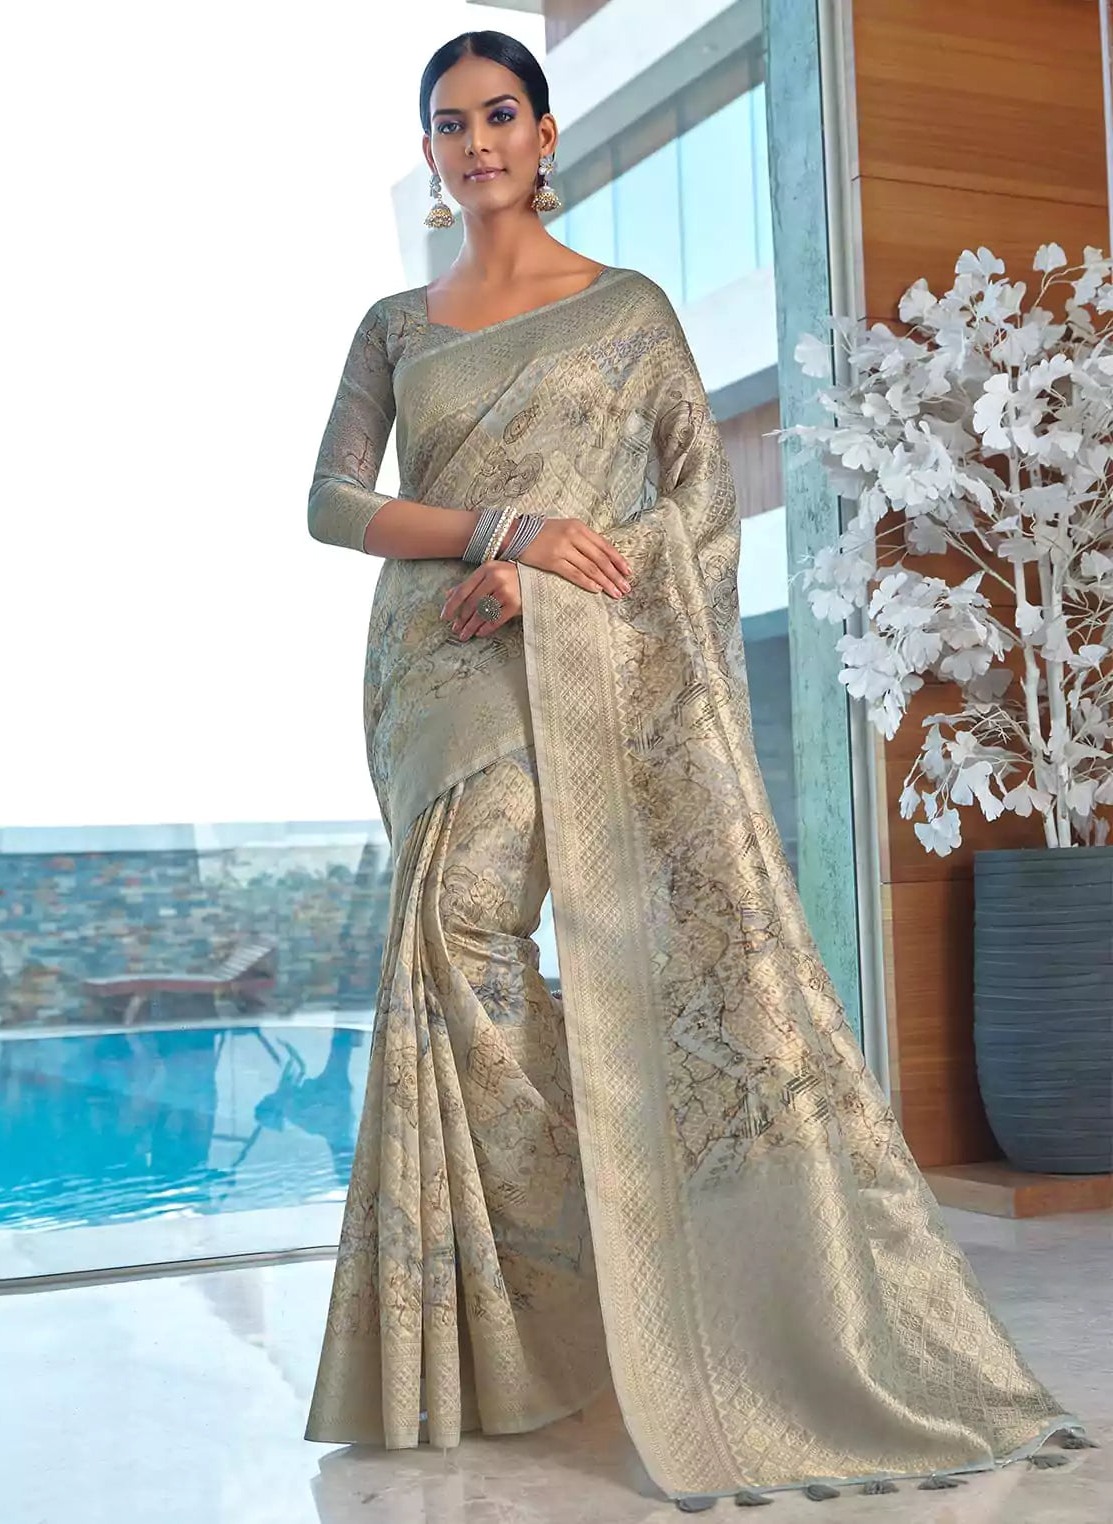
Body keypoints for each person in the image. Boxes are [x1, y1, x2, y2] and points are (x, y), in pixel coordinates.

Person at [301, 28, 1094, 1510]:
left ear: (545, 136)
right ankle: (533, 1306)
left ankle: (613, 1263)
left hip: (580, 653)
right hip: (435, 666)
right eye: (450, 125)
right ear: (430, 154)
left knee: (488, 943)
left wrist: (554, 574)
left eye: (500, 115)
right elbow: (334, 503)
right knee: (455, 939)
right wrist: (503, 533)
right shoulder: (395, 324)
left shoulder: (626, 311)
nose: (477, 143)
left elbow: (700, 510)